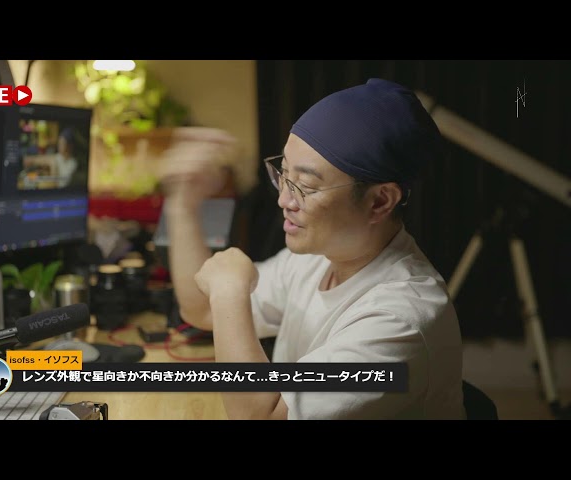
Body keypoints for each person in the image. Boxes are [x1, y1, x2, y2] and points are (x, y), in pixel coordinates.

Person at [159, 78, 465, 420]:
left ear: (379, 201)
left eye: (304, 186)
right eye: (283, 174)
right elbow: (202, 309)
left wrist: (229, 292)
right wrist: (183, 202)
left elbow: (260, 417)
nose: (283, 200)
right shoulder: (318, 257)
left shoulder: (401, 319)